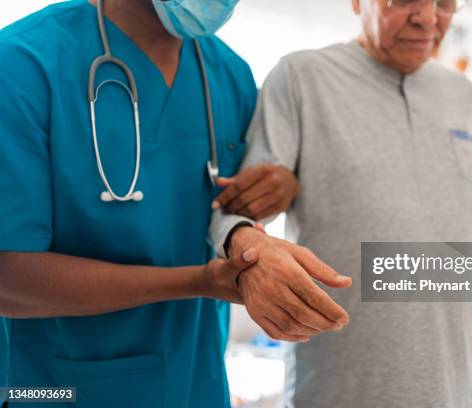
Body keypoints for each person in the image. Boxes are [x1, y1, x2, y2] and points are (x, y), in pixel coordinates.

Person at [211, 0, 472, 406]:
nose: (428, 17)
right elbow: (235, 213)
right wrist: (246, 241)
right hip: (342, 387)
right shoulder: (301, 76)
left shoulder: (464, 96)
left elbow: (459, 215)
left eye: (445, 3)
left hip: (455, 386)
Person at [0, 1, 352, 407]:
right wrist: (200, 281)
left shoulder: (227, 74)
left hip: (195, 383)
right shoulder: (24, 64)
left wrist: (276, 191)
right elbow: (9, 278)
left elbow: (225, 211)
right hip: (54, 389)